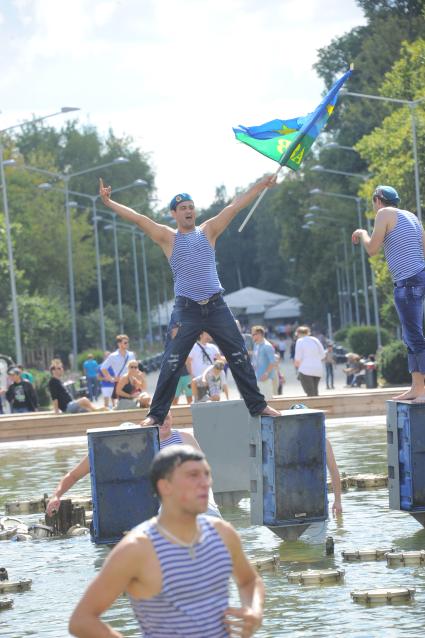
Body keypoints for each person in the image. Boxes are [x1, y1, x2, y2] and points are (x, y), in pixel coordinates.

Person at [99, 177, 280, 425]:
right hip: (186, 310)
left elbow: (234, 206)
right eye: (183, 208)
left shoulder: (208, 230)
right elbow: (140, 219)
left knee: (238, 355)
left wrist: (260, 186)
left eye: (191, 207)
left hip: (216, 306)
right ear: (174, 213)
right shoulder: (167, 237)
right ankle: (156, 414)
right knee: (172, 361)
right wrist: (110, 203)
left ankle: (258, 406)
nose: (188, 211)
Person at [69, 445, 264, 638]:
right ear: (165, 486)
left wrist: (253, 610)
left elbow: (249, 581)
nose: (205, 482)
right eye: (193, 475)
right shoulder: (137, 548)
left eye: (207, 474)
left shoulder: (223, 534)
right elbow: (82, 620)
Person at [46, 411, 220, 518]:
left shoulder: (180, 438)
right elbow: (75, 474)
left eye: (166, 417)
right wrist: (56, 495)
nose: (164, 422)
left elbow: (203, 471)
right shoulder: (110, 450)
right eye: (159, 419)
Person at [352, 185, 425, 401]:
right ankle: (416, 387)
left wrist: (362, 233)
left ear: (378, 200)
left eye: (374, 202)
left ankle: (422, 390)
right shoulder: (411, 215)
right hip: (418, 275)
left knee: (414, 335)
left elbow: (372, 249)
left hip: (408, 280)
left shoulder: (384, 213)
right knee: (409, 335)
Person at [289, 404, 342, 516]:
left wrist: (338, 501)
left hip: (316, 502)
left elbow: (334, 471)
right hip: (293, 502)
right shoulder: (284, 442)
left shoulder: (323, 442)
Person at [294, 326, 325, 397]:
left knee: (310, 393)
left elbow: (297, 358)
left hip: (305, 370)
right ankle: (318, 406)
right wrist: (315, 359)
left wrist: (297, 367)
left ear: (298, 333)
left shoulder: (300, 341)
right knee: (315, 391)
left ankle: (312, 407)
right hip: (318, 369)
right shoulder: (315, 340)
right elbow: (323, 355)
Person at [251, 326, 276, 400]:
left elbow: (273, 362)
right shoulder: (256, 345)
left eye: (253, 334)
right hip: (257, 377)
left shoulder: (267, 346)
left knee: (267, 400)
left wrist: (266, 374)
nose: (252, 336)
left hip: (266, 378)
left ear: (259, 334)